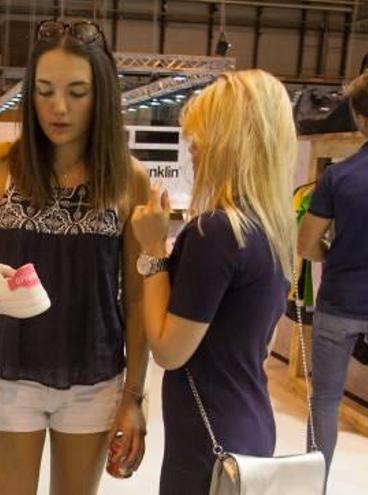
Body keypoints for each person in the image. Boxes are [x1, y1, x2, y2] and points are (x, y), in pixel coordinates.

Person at [0, 19, 149, 495]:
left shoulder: (128, 179)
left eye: (77, 92)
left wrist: (134, 397)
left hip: (94, 376)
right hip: (9, 374)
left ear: (102, 95)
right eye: (44, 91)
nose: (58, 107)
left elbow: (135, 300)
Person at [130, 70, 297, 494]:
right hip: (250, 422)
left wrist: (151, 251)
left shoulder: (217, 232)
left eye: (201, 138)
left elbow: (168, 350)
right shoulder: (272, 230)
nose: (194, 149)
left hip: (210, 439)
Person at [298, 71, 368, 479]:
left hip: (340, 301)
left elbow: (306, 244)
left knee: (324, 399)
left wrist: (334, 257)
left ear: (358, 117)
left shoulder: (337, 177)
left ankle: (314, 485)